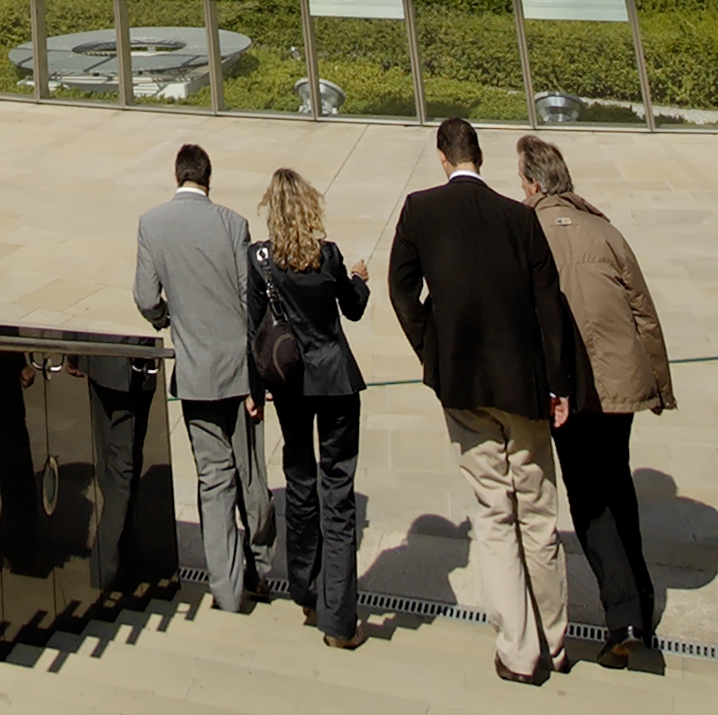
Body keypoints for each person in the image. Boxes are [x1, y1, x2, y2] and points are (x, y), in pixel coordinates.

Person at [389, 117, 574, 686]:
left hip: (463, 385)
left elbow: (401, 289)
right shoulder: (519, 218)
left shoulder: (420, 210)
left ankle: (519, 650)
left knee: (494, 516)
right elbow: (549, 305)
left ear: (444, 158)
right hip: (522, 385)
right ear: (481, 158)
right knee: (538, 517)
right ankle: (557, 641)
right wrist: (558, 384)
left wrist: (430, 346)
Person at [519, 135, 674, 670]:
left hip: (571, 388)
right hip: (621, 383)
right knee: (618, 484)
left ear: (534, 185)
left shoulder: (527, 230)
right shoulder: (605, 230)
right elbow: (644, 312)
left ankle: (623, 618)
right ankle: (643, 605)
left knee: (589, 500)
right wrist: (659, 386)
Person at [134, 142, 272, 614]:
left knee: (214, 482)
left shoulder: (152, 224)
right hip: (239, 372)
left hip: (194, 373)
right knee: (251, 477)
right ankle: (260, 567)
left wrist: (168, 318)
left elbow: (145, 295)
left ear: (178, 177)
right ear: (208, 179)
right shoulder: (233, 224)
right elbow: (248, 298)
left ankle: (227, 591)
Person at [247, 167, 371, 650]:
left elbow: (254, 328)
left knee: (300, 481)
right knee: (336, 492)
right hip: (335, 379)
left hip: (292, 381)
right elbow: (353, 308)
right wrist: (358, 280)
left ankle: (307, 588)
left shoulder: (260, 260)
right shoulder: (327, 255)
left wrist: (256, 390)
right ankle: (339, 620)